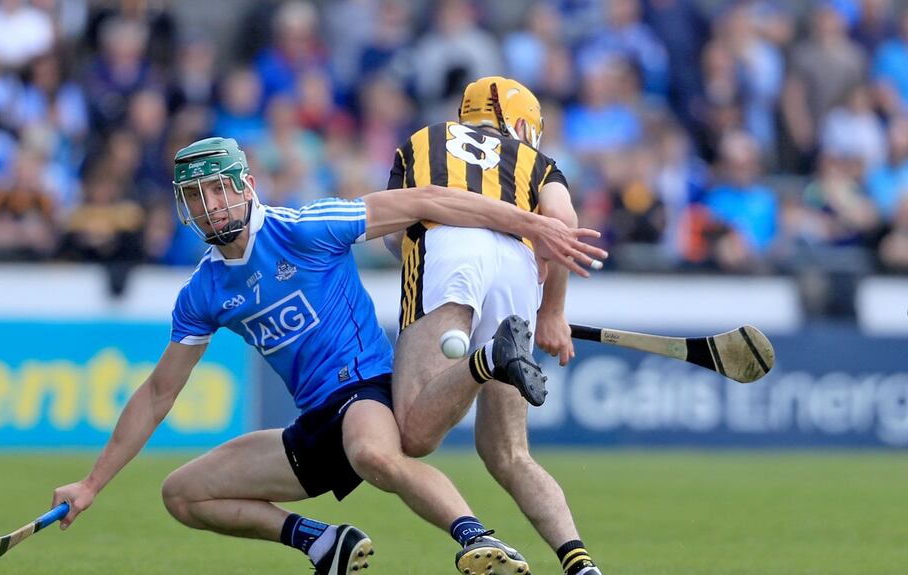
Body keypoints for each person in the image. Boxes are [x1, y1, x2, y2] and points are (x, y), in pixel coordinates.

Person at [51, 137, 606, 575]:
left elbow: (425, 201)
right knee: (183, 494)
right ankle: (322, 543)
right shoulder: (203, 291)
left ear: (246, 186)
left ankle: (476, 540)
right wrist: (92, 484)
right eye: (197, 196)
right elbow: (157, 394)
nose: (211, 205)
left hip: (366, 389)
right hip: (316, 419)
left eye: (219, 189)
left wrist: (531, 224)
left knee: (376, 453)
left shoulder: (304, 229)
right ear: (184, 206)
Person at [384, 76, 608, 575]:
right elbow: (560, 226)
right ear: (523, 123)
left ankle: (486, 359)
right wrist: (552, 311)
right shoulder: (538, 163)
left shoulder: (423, 140)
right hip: (518, 264)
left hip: (447, 246)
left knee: (415, 434)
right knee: (509, 451)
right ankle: (580, 563)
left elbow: (393, 231)